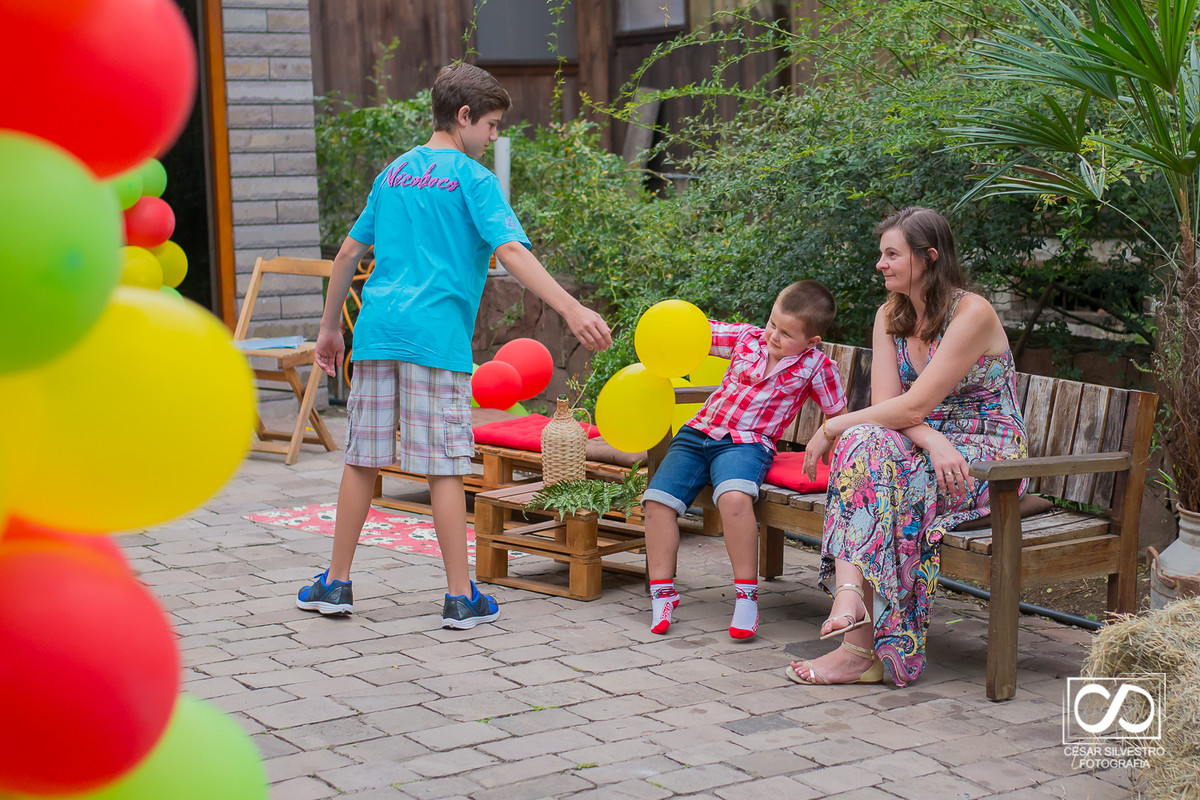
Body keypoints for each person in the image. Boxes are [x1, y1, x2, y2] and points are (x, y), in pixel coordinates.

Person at [295, 63, 611, 629]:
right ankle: (460, 597)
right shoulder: (474, 180)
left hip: (375, 334)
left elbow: (346, 255)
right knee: (443, 467)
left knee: (362, 459)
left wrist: (328, 328)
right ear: (463, 117)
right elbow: (510, 253)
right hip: (434, 340)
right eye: (490, 125)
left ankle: (335, 585)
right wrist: (572, 307)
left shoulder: (392, 174)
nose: (493, 138)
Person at [787, 206, 1027, 686]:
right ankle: (853, 602)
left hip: (983, 459)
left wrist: (833, 425)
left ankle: (858, 641)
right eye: (882, 254)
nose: (881, 264)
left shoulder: (972, 312)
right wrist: (930, 436)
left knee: (867, 455)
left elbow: (909, 406)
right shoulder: (889, 315)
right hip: (925, 444)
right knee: (868, 445)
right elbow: (889, 407)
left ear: (929, 258)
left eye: (892, 254)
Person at [643, 280, 847, 640]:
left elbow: (839, 416)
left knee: (734, 499)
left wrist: (831, 450)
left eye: (786, 333)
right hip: (698, 433)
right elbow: (695, 333)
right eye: (772, 324)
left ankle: (746, 598)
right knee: (656, 503)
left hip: (748, 445)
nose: (773, 335)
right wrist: (661, 327)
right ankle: (663, 592)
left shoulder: (817, 366)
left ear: (812, 341)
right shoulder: (746, 338)